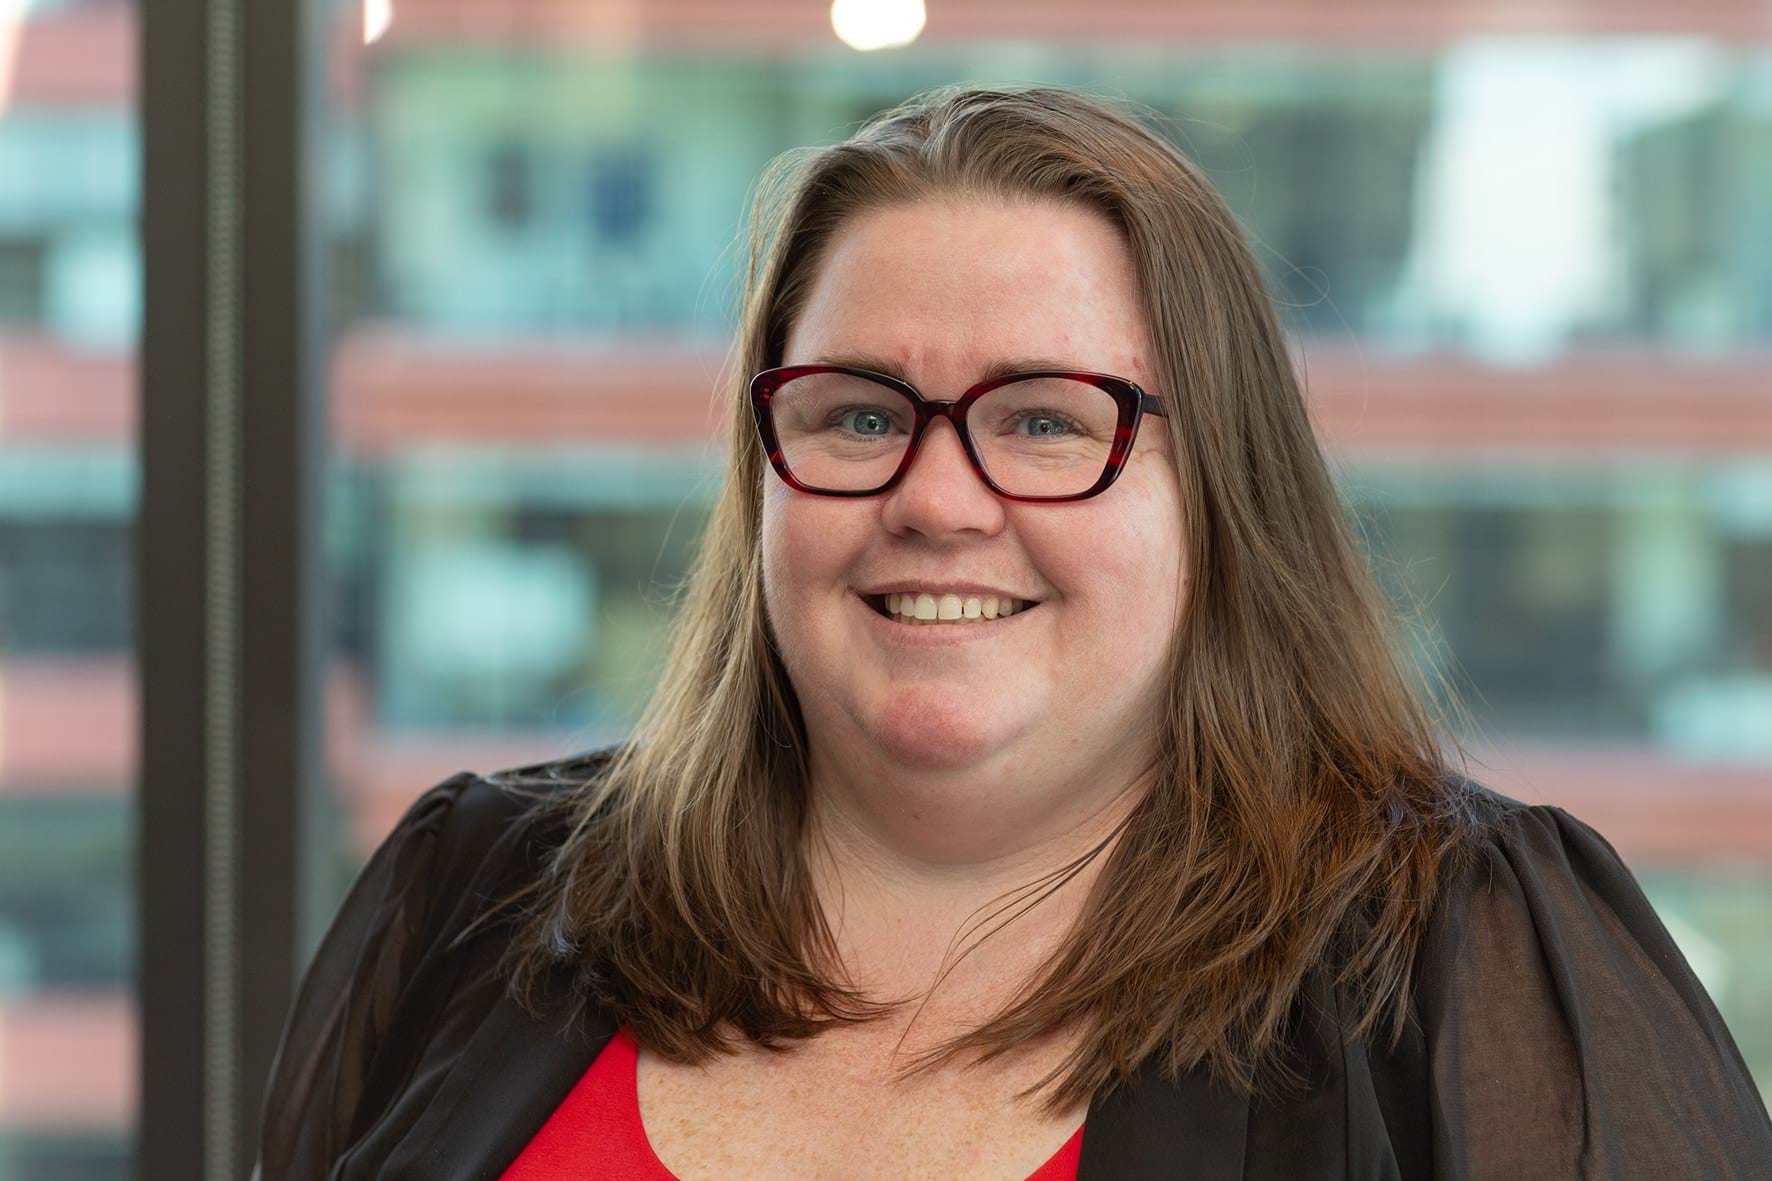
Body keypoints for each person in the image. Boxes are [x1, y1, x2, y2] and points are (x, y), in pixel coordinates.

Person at [254, 85, 1772, 1180]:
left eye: (1045, 419)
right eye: (858, 414)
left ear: (1221, 491)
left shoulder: (1466, 964)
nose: (936, 496)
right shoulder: (473, 902)